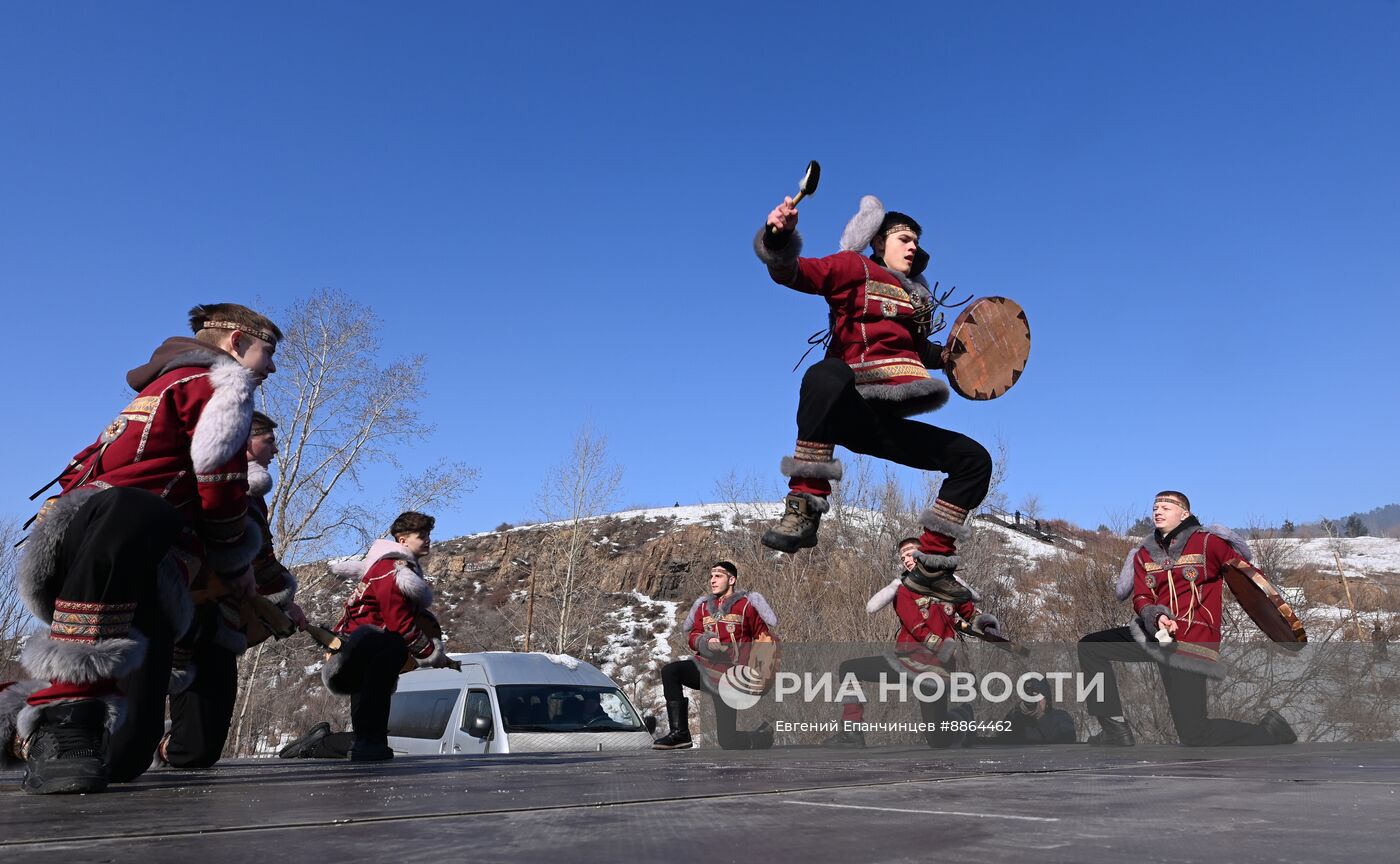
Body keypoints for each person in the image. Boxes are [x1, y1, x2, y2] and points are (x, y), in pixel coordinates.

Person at [3, 303, 278, 794]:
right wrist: (234, 558)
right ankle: (65, 715)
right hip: (113, 539)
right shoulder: (220, 382)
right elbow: (218, 473)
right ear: (236, 343)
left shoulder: (162, 388)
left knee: (127, 754)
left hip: (139, 560)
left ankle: (16, 731)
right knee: (139, 508)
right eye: (266, 353)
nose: (270, 368)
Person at [754, 194, 992, 603]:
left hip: (888, 419)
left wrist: (961, 355)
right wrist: (779, 236)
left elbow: (918, 352)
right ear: (878, 243)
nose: (913, 245)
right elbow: (793, 273)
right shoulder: (854, 266)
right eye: (903, 237)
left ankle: (932, 566)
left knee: (974, 460)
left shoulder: (916, 297)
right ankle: (804, 508)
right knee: (824, 373)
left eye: (916, 240)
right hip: (851, 405)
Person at [1078, 491, 1296, 747]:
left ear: (1185, 513)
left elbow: (1249, 578)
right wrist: (1157, 617)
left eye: (1166, 507)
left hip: (1192, 641)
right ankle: (1115, 730)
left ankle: (1269, 733)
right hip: (1155, 636)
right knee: (1090, 647)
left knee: (1194, 734)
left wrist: (1281, 620)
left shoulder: (1208, 543)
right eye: (1155, 507)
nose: (1158, 511)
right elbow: (1141, 598)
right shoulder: (1144, 554)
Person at [161, 410, 304, 768]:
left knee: (202, 749)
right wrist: (281, 596)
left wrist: (282, 600)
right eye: (268, 441)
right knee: (136, 728)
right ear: (244, 441)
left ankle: (164, 749)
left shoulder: (252, 493)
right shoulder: (213, 482)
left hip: (219, 620)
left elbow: (259, 556)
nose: (275, 449)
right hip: (183, 616)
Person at [826, 538, 1000, 749]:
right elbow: (918, 629)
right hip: (908, 662)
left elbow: (970, 614)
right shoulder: (904, 589)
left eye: (910, 554)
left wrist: (987, 625)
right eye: (902, 558)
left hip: (936, 671)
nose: (906, 561)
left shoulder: (949, 586)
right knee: (849, 669)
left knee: (938, 741)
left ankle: (962, 718)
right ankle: (852, 732)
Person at [317, 511, 452, 761]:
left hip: (358, 645)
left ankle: (361, 744)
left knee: (372, 682)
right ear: (402, 541)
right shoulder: (393, 569)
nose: (428, 539)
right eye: (421, 535)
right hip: (365, 644)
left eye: (428, 534)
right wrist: (430, 654)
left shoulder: (385, 566)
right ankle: (367, 743)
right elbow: (397, 621)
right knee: (393, 647)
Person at [652, 562, 777, 751]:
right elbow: (693, 636)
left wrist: (762, 673)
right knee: (671, 671)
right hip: (706, 668)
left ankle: (762, 738)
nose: (712, 580)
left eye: (718, 576)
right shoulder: (703, 607)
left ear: (732, 580)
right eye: (711, 576)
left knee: (728, 741)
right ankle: (680, 734)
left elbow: (764, 638)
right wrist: (705, 642)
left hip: (731, 678)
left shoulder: (747, 606)